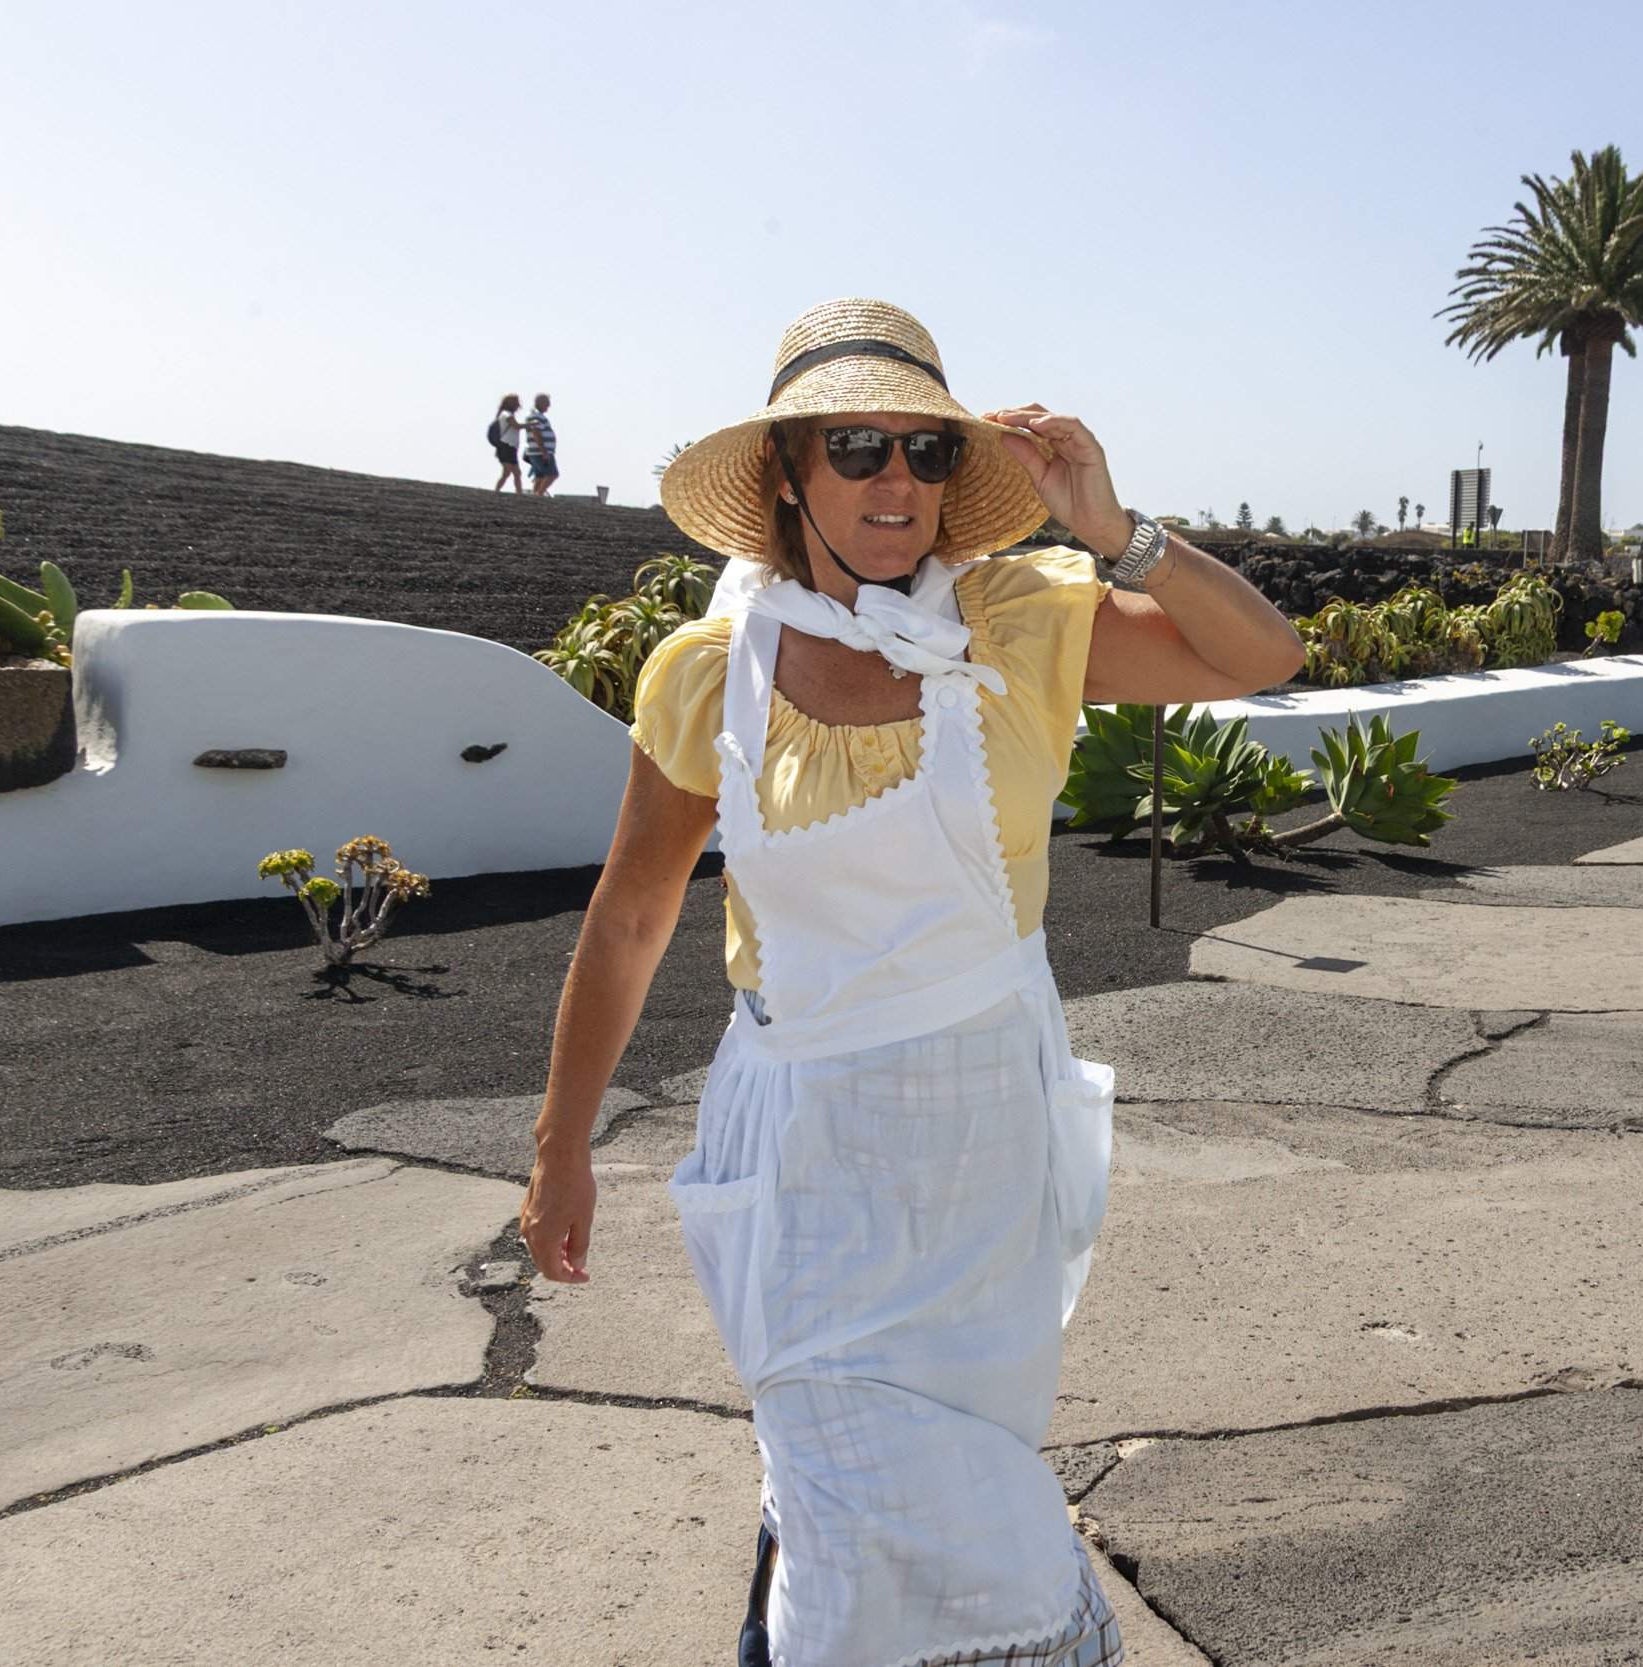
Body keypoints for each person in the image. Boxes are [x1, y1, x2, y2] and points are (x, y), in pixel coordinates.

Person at [519, 298, 1303, 1667]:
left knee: (898, 1488)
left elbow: (1263, 656)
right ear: (787, 471)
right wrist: (559, 1143)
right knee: (850, 1483)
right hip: (800, 1149)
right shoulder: (708, 673)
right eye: (857, 446)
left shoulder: (1021, 619)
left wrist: (1118, 531)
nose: (896, 480)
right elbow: (634, 911)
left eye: (927, 452)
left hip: (980, 1146)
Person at [524, 392, 559, 495]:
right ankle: (539, 494)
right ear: (541, 403)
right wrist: (543, 451)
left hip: (538, 451)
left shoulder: (537, 416)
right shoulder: (536, 416)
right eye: (547, 403)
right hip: (540, 452)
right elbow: (536, 433)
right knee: (552, 474)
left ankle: (535, 495)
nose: (549, 405)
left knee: (540, 476)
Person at [489, 394, 525, 492]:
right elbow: (516, 426)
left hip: (511, 447)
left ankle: (518, 493)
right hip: (505, 446)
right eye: (516, 403)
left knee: (515, 473)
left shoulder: (506, 414)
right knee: (508, 471)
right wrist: (530, 425)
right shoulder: (506, 414)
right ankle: (497, 491)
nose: (518, 405)